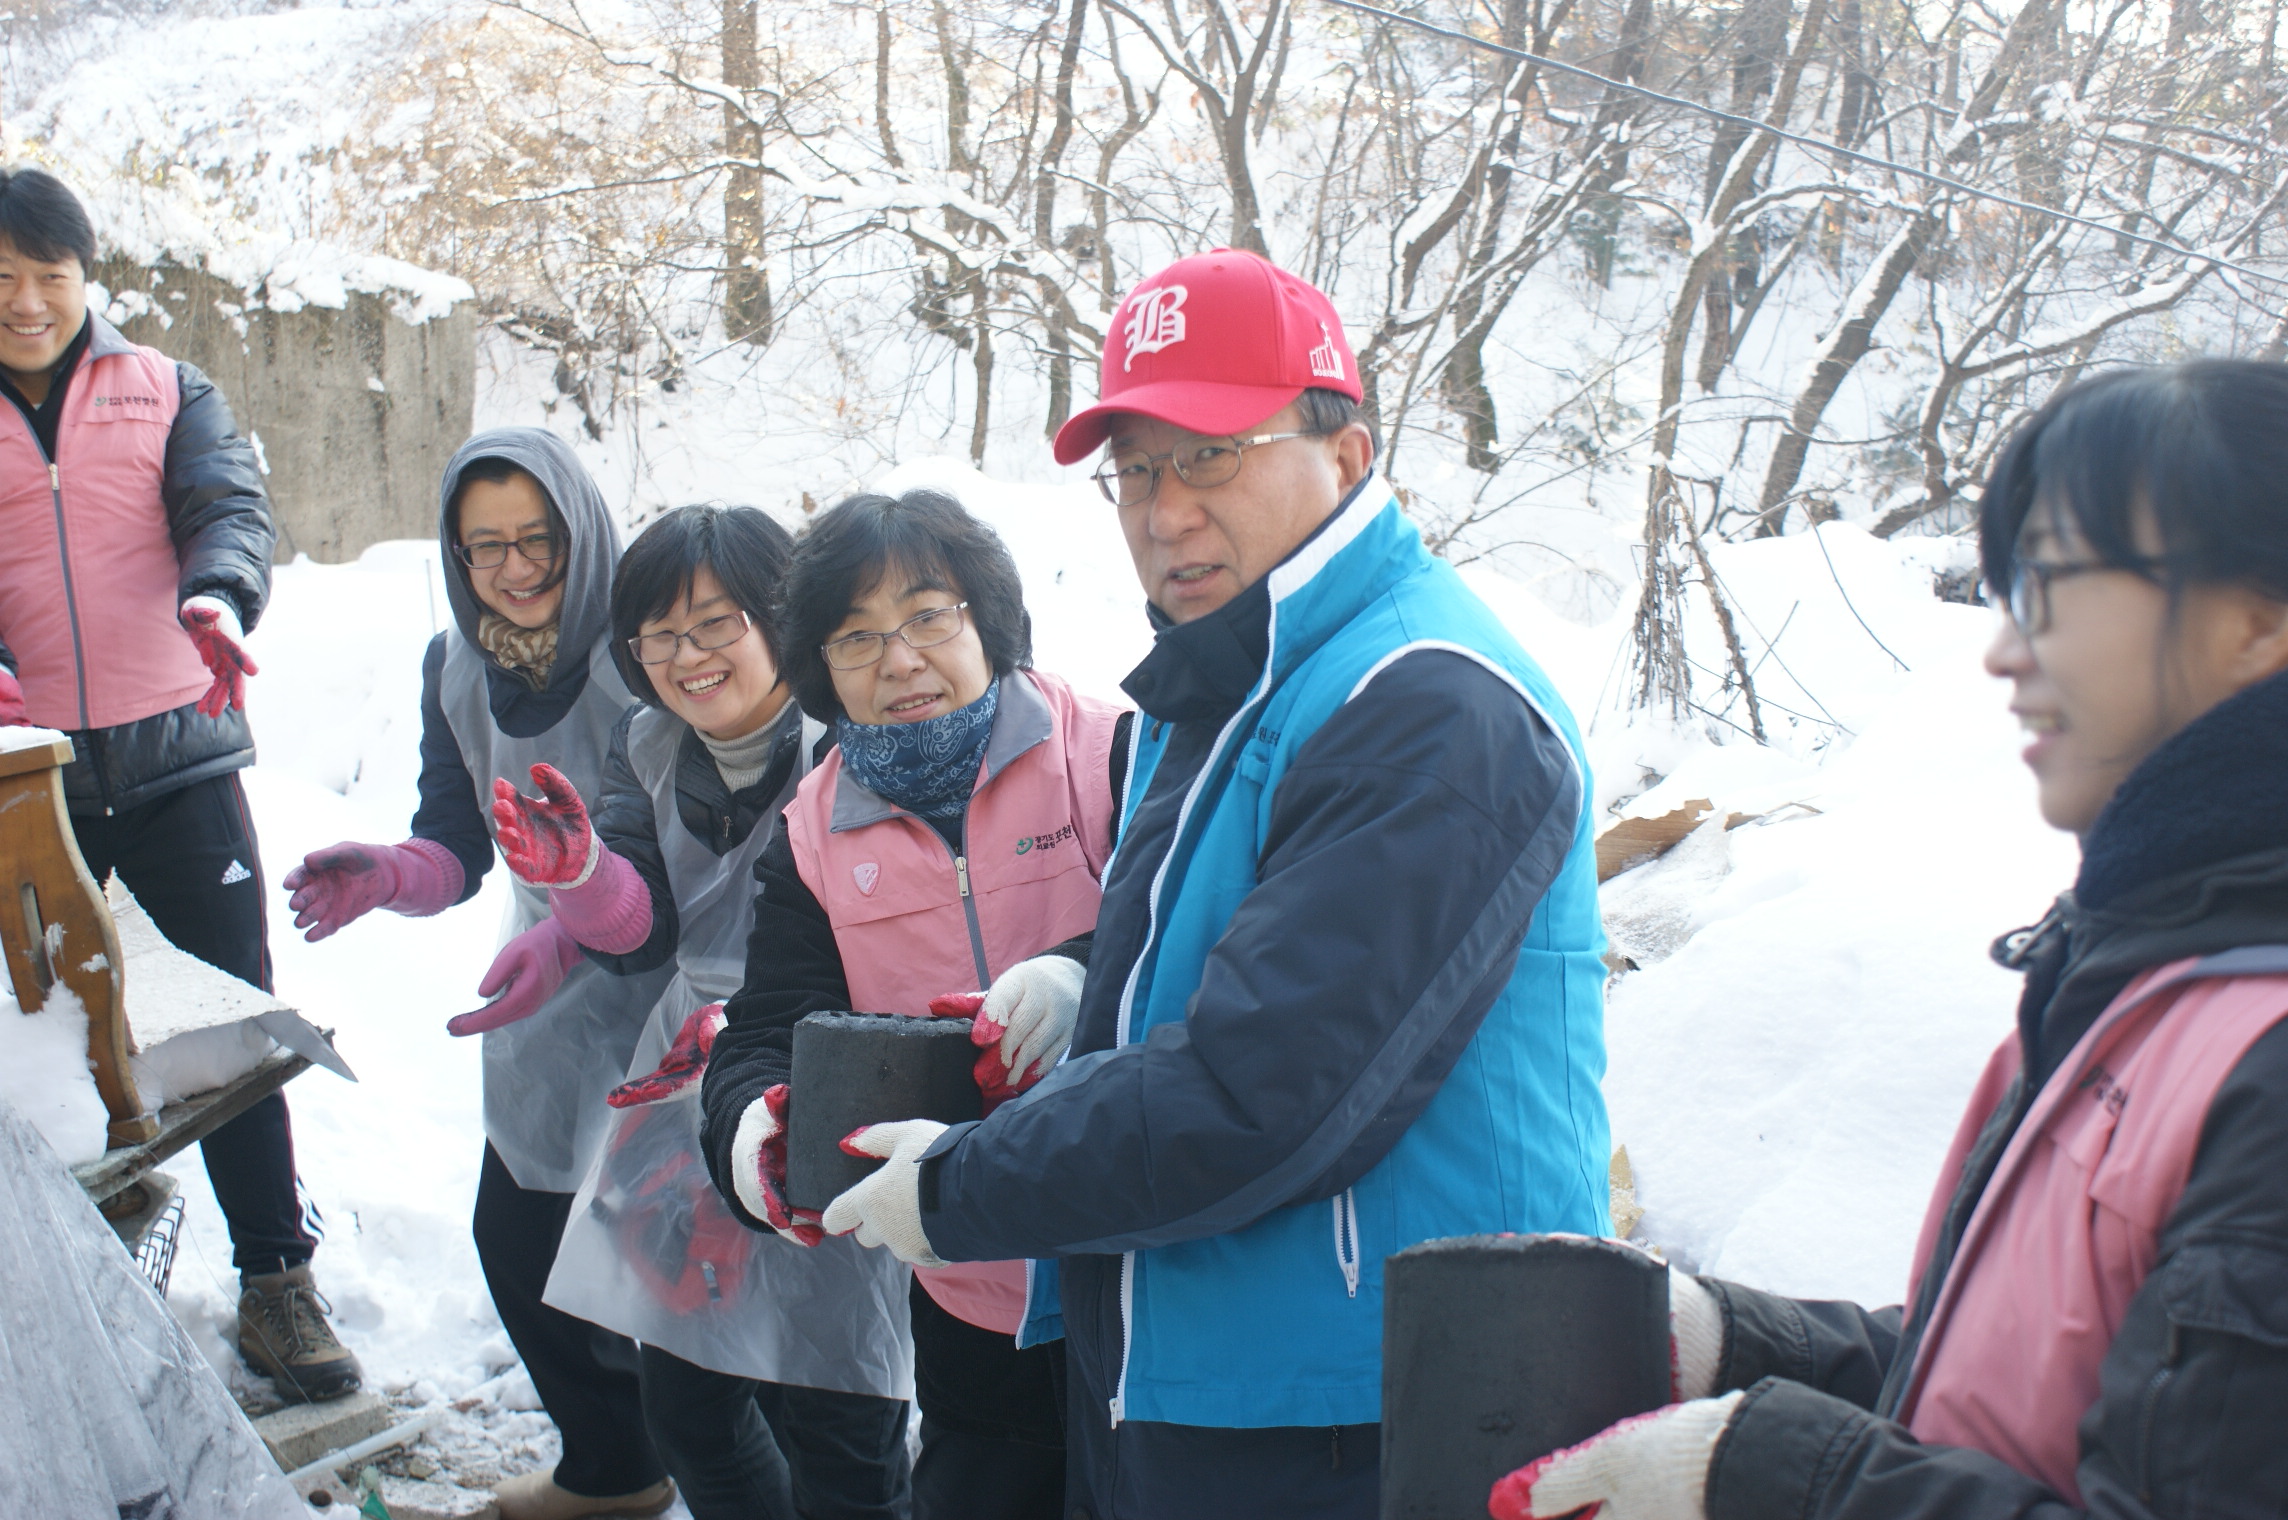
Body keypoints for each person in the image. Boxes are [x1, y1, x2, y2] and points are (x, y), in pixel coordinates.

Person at [814, 249, 1612, 1519]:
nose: (1160, 508)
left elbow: (1264, 1087)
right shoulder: (1237, 673)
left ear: (1345, 454)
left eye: (1210, 454)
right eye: (1132, 467)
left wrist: (961, 1184)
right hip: (1209, 1359)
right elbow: (1245, 942)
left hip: (1372, 1405)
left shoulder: (1423, 698)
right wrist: (1089, 975)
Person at [1490, 360, 2288, 1520]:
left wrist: (1779, 1476)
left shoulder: (2258, 1056)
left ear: (2254, 623)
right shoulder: (2141, 973)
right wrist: (1740, 1345)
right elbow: (2027, 1385)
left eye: (2055, 591)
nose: (2005, 654)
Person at [699, 488, 1133, 1520]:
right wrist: (754, 1122)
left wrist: (1082, 970)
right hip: (964, 1274)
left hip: (1143, 1263)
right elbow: (765, 1025)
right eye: (856, 637)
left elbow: (1203, 938)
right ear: (818, 669)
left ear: (986, 618)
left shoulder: (1110, 753)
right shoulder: (813, 831)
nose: (899, 661)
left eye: (929, 616)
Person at [0, 166, 361, 1402]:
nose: (28, 302)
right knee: (41, 1027)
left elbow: (228, 505)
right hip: (20, 780)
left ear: (84, 276)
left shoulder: (164, 387)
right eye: (2, 281)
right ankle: (79, 1245)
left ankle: (275, 1278)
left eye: (49, 276)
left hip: (176, 759)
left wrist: (221, 593)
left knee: (232, 1011)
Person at [281, 430, 675, 1520]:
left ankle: (719, 1454)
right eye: (484, 544)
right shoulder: (453, 661)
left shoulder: (648, 647)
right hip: (541, 990)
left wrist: (582, 915)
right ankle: (616, 1462)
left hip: (675, 977)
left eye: (537, 539)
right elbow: (452, 836)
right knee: (522, 1233)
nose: (514, 567)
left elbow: (690, 840)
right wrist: (389, 873)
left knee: (671, 1249)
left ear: (580, 530)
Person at [495, 503, 914, 1520]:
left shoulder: (853, 739)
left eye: (717, 622)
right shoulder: (645, 745)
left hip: (828, 1074)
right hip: (684, 1083)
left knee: (837, 1409)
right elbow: (639, 930)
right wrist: (584, 875)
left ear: (782, 614)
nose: (689, 656)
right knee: (685, 1392)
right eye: (661, 633)